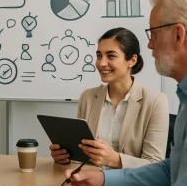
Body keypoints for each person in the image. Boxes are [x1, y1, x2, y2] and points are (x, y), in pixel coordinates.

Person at [63, 0, 187, 186]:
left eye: (153, 33)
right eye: (99, 55)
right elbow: (169, 168)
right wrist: (104, 179)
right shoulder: (183, 98)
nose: (150, 45)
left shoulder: (158, 99)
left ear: (178, 34)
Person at [50, 28, 169, 168]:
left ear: (132, 60)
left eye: (111, 56)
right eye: (99, 55)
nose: (101, 63)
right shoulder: (88, 97)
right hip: (89, 181)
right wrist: (65, 156)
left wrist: (114, 159)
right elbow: (81, 154)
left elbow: (155, 165)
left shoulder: (155, 101)